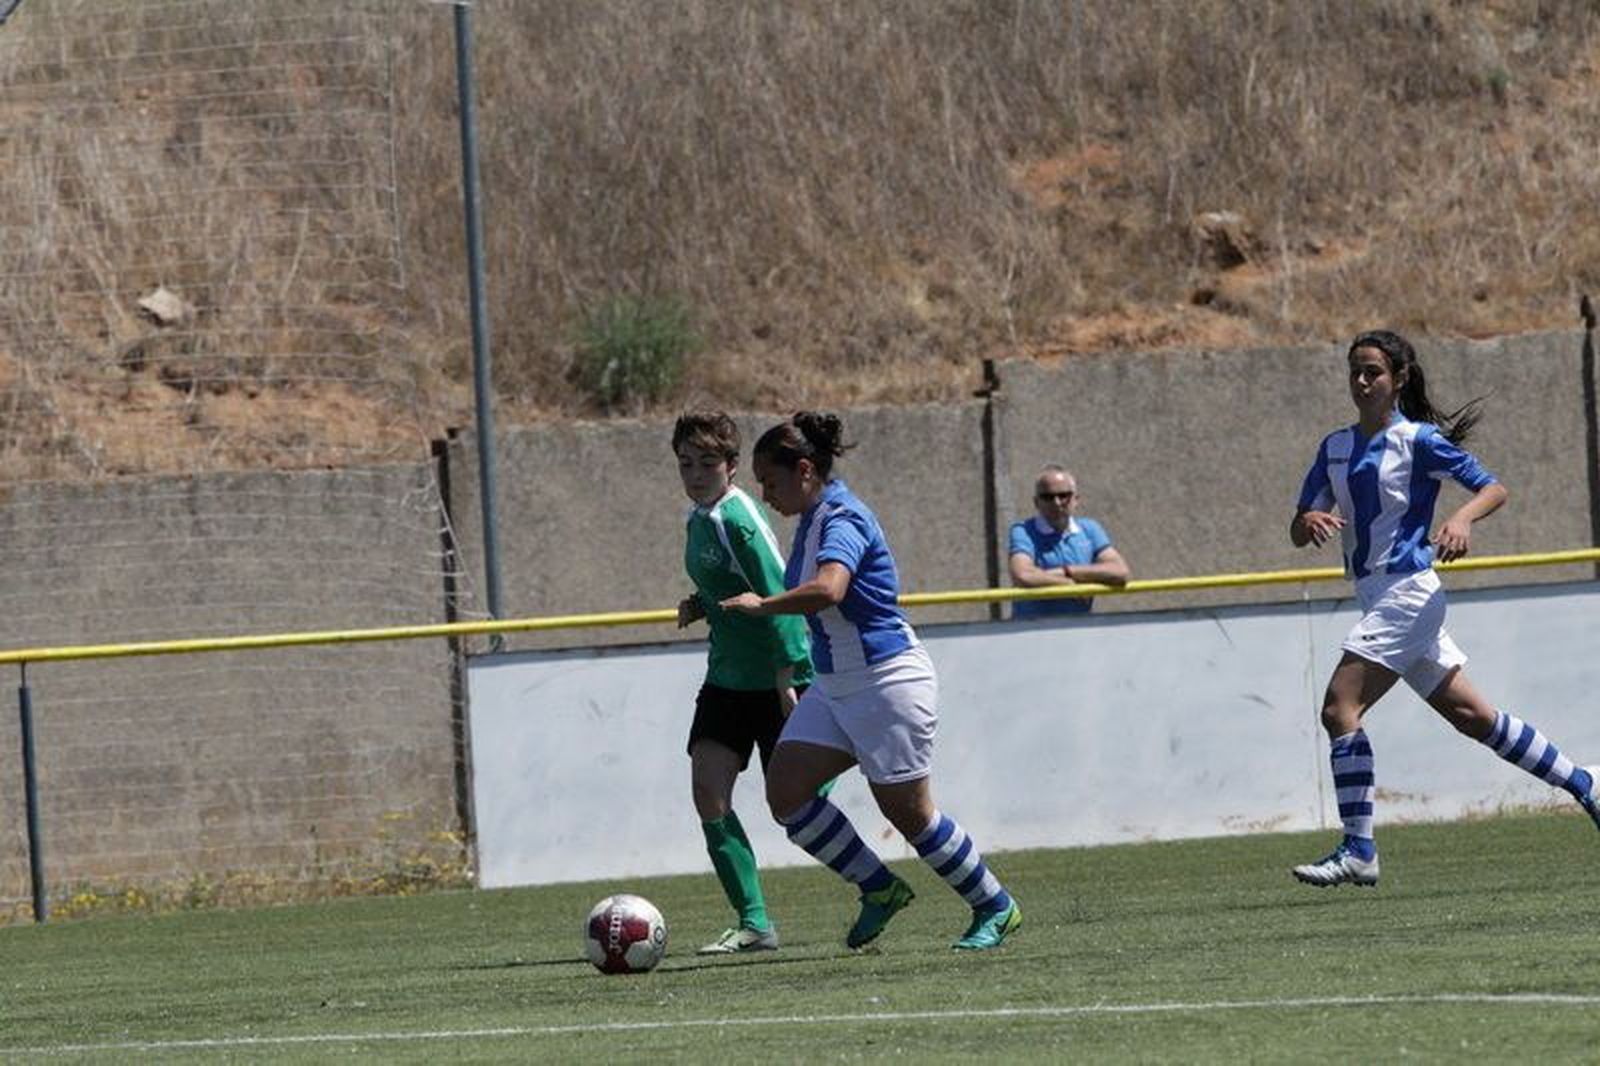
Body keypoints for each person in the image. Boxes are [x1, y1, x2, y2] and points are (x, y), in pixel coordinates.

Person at [1288, 329, 1600, 887]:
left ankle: (1359, 849)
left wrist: (1460, 519)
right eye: (1355, 371)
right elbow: (1299, 526)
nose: (1361, 382)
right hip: (1375, 595)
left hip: (1409, 592)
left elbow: (1493, 488)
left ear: (1399, 379)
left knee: (1339, 709)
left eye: (1373, 373)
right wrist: (1306, 521)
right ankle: (1584, 782)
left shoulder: (1419, 441)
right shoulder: (1333, 447)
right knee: (1475, 719)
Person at [721, 411, 1022, 950]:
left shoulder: (842, 518)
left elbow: (831, 589)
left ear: (805, 470)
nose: (766, 494)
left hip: (887, 681)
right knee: (786, 792)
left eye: (770, 481)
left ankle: (994, 905)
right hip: (838, 686)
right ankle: (878, 888)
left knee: (910, 814)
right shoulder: (811, 520)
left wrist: (763, 606)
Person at [672, 411, 816, 953]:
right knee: (708, 792)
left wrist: (789, 675)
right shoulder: (699, 516)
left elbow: (779, 594)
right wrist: (702, 604)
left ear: (732, 466)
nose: (695, 473)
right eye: (686, 463)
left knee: (798, 812)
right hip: (726, 679)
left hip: (776, 678)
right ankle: (755, 922)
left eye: (708, 462)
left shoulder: (739, 519)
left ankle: (876, 885)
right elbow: (733, 588)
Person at [1008, 465, 1130, 617]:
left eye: (1063, 495)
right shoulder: (1023, 530)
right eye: (1047, 497)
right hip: (1032, 631)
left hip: (1078, 630)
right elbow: (1023, 575)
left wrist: (1065, 571)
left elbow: (1120, 572)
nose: (1057, 502)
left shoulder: (1089, 529)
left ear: (1076, 500)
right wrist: (1070, 585)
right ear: (1036, 502)